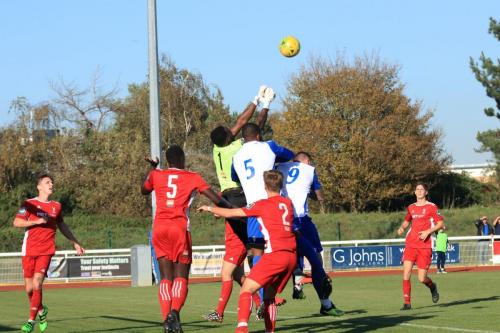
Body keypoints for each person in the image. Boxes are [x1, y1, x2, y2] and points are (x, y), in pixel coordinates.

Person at [141, 145, 233, 333]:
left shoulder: (156, 175)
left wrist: (152, 168)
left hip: (159, 228)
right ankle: (173, 313)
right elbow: (215, 199)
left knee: (166, 278)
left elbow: (144, 190)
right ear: (182, 159)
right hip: (179, 228)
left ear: (167, 161)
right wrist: (231, 207)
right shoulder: (193, 177)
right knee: (181, 277)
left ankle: (168, 322)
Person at [205, 86, 276, 322]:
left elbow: (239, 121)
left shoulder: (218, 147)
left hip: (228, 198)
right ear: (229, 138)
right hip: (240, 198)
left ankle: (249, 303)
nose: (232, 130)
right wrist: (264, 104)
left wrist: (255, 99)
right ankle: (265, 297)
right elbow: (253, 127)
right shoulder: (238, 147)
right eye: (229, 131)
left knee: (234, 267)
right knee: (250, 252)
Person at [198, 170, 296, 333]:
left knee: (246, 290)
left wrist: (209, 208)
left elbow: (231, 213)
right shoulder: (288, 203)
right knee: (269, 297)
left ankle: (242, 328)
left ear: (265, 186)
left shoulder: (262, 204)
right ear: (281, 185)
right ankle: (269, 331)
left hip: (275, 255)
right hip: (291, 255)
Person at [231, 122, 294, 315]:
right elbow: (289, 155)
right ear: (258, 135)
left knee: (257, 253)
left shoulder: (236, 156)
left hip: (252, 211)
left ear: (243, 139)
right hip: (272, 206)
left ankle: (260, 296)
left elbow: (235, 178)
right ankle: (287, 286)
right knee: (285, 246)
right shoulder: (269, 145)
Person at [13, 173, 85, 333]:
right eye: (47, 182)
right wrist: (35, 221)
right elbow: (16, 222)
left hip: (46, 250)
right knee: (29, 289)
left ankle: (31, 321)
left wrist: (75, 242)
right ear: (39, 187)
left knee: (37, 283)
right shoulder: (29, 204)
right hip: (29, 250)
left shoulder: (56, 206)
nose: (51, 184)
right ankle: (41, 311)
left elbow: (62, 226)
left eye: (52, 182)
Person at [276, 152, 344, 316]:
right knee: (316, 258)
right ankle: (324, 302)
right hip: (301, 220)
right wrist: (314, 192)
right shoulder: (309, 170)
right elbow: (319, 197)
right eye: (309, 160)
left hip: (281, 219)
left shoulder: (279, 167)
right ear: (305, 161)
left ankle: (295, 281)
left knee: (282, 259)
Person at [397, 183, 444, 310]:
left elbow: (440, 224)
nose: (419, 191)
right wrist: (402, 227)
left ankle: (432, 287)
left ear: (426, 192)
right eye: (417, 189)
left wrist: (428, 232)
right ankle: (407, 303)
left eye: (421, 189)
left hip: (425, 246)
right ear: (414, 192)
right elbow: (407, 220)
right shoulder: (411, 207)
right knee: (406, 273)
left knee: (421, 278)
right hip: (411, 244)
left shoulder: (431, 207)